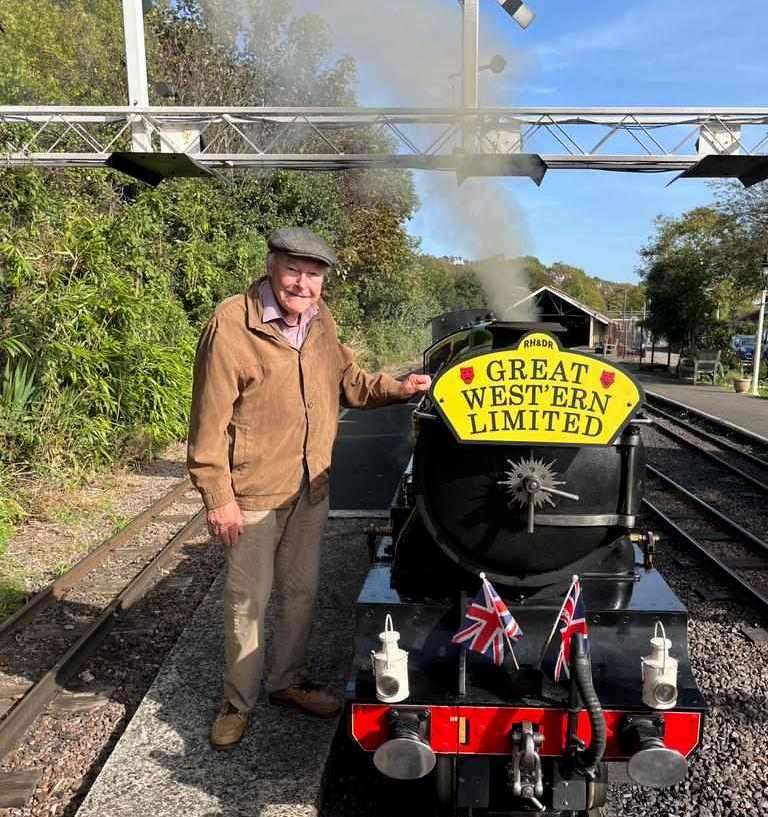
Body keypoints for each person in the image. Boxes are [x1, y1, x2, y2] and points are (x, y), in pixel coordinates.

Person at [187, 226, 431, 750]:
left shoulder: (321, 323)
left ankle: (285, 683)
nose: (303, 284)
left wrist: (400, 388)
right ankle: (237, 702)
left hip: (310, 486)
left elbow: (351, 384)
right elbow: (207, 423)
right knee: (247, 602)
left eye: (314, 275)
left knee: (300, 594)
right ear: (272, 266)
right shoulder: (232, 323)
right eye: (294, 270)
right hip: (252, 490)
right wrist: (218, 498)